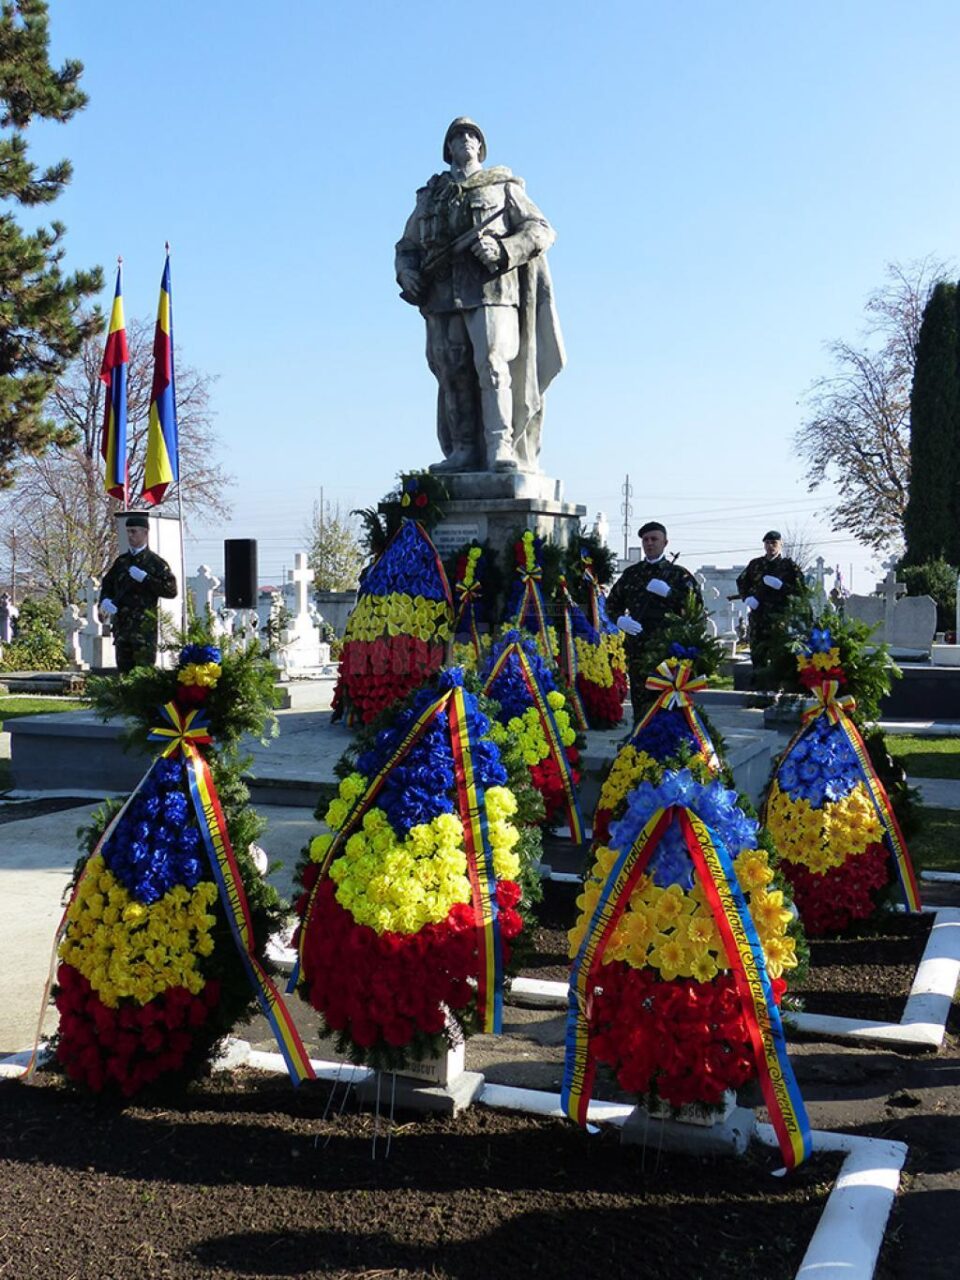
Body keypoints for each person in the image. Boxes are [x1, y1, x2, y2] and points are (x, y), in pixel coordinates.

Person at [395, 117, 564, 473]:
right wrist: (406, 272)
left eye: (472, 135)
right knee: (452, 372)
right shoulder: (431, 196)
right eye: (458, 136)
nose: (466, 140)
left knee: (492, 365)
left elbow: (541, 229)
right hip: (441, 297)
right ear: (448, 148)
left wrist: (504, 249)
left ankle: (500, 445)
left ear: (481, 146)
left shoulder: (502, 186)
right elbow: (408, 245)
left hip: (492, 292)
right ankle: (464, 450)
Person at [606, 521, 702, 722]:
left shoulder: (678, 575)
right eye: (645, 540)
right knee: (641, 700)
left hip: (669, 650)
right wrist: (620, 620)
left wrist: (670, 593)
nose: (649, 543)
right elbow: (611, 604)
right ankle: (640, 740)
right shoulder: (632, 574)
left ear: (665, 542)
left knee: (668, 701)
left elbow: (696, 608)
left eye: (654, 539)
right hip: (638, 648)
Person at [99, 514, 178, 673]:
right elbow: (108, 584)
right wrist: (105, 600)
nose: (130, 536)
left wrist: (147, 579)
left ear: (145, 533)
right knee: (124, 674)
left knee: (143, 677)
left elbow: (171, 590)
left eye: (134, 532)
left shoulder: (155, 563)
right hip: (122, 629)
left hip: (143, 632)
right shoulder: (121, 562)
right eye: (128, 531)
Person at [736, 530, 802, 673]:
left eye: (774, 543)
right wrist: (747, 597)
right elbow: (742, 581)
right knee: (758, 652)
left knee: (780, 653)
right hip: (758, 617)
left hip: (780, 617)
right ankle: (758, 684)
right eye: (767, 543)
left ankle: (778, 685)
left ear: (780, 544)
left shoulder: (788, 566)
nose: (770, 546)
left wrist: (782, 586)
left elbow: (801, 589)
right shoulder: (755, 564)